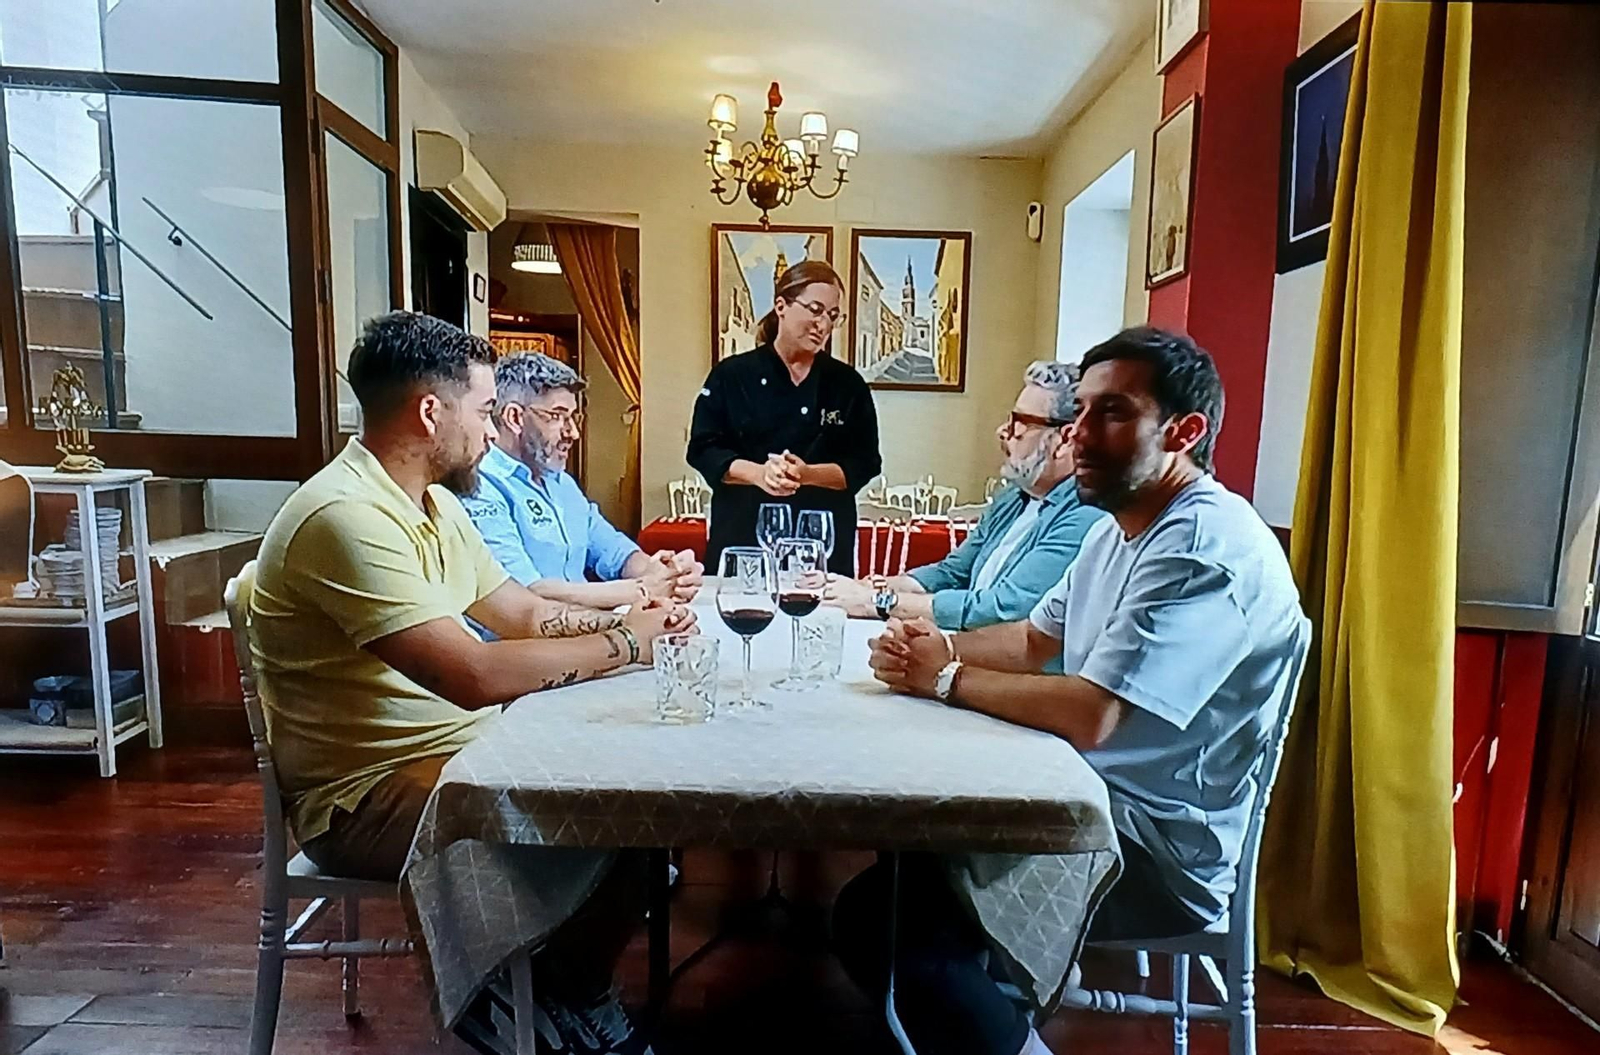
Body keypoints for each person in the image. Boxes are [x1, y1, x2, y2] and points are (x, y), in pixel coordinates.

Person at [838, 327, 1309, 1055]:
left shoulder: (1202, 546)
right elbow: (1033, 639)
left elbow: (1094, 716)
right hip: (1088, 800)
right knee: (899, 862)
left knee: (884, 915)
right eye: (1079, 411)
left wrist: (947, 677)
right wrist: (941, 647)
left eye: (1110, 413)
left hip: (1151, 850)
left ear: (1185, 431)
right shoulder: (1118, 528)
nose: (1078, 436)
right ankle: (970, 1008)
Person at [250, 311, 687, 1055]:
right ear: (431, 411)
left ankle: (558, 993)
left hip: (456, 754)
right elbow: (474, 674)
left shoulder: (437, 504)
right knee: (618, 816)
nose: (492, 431)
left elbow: (517, 611)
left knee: (642, 801)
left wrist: (640, 625)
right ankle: (526, 1004)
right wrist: (623, 642)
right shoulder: (343, 516)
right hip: (365, 798)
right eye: (484, 410)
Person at [823, 361, 1105, 633]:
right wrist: (872, 588)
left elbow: (1002, 608)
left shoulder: (1085, 514)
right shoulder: (1015, 498)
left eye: (1020, 423)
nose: (1003, 432)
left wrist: (879, 602)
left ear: (1065, 440)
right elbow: (953, 572)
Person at [462, 352, 702, 609]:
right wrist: (642, 590)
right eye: (557, 416)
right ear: (515, 418)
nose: (573, 433)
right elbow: (525, 592)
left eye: (574, 417)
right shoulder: (479, 485)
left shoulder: (562, 484)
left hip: (584, 631)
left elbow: (616, 552)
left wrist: (665, 573)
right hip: (522, 644)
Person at [687, 259, 881, 576]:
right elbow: (703, 449)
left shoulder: (848, 385)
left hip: (821, 550)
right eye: (815, 310)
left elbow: (865, 463)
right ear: (781, 306)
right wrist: (760, 474)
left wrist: (806, 474)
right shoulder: (731, 375)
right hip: (743, 539)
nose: (824, 324)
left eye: (833, 316)